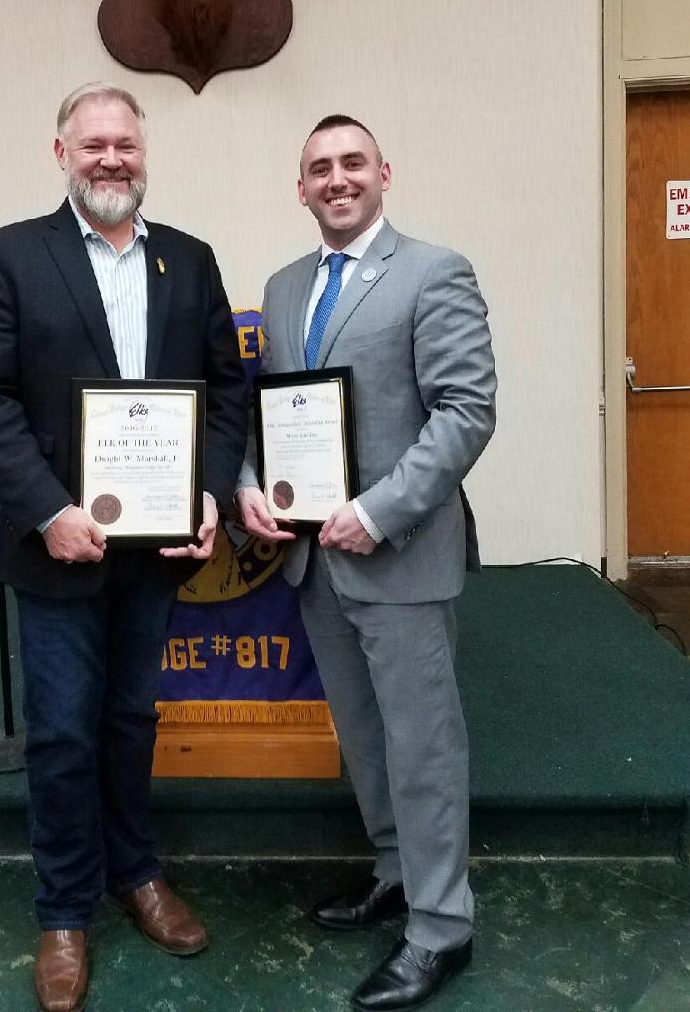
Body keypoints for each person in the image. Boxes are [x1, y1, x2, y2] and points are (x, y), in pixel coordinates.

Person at [0, 83, 246, 1012]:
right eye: (94, 145)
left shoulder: (190, 262)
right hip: (57, 546)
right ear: (61, 153)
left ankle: (138, 873)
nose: (112, 158)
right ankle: (64, 909)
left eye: (125, 142)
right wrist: (48, 509)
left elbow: (226, 392)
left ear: (143, 152)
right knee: (63, 729)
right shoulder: (5, 257)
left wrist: (207, 491)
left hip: (156, 548)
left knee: (130, 719)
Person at [236, 115, 496, 1011]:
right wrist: (247, 486)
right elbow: (267, 412)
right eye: (319, 168)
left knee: (425, 743)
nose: (337, 178)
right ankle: (395, 870)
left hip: (402, 557)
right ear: (299, 187)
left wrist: (377, 511)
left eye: (353, 162)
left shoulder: (435, 271)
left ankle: (440, 927)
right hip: (314, 562)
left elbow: (465, 411)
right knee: (364, 733)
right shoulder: (281, 287)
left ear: (385, 172)